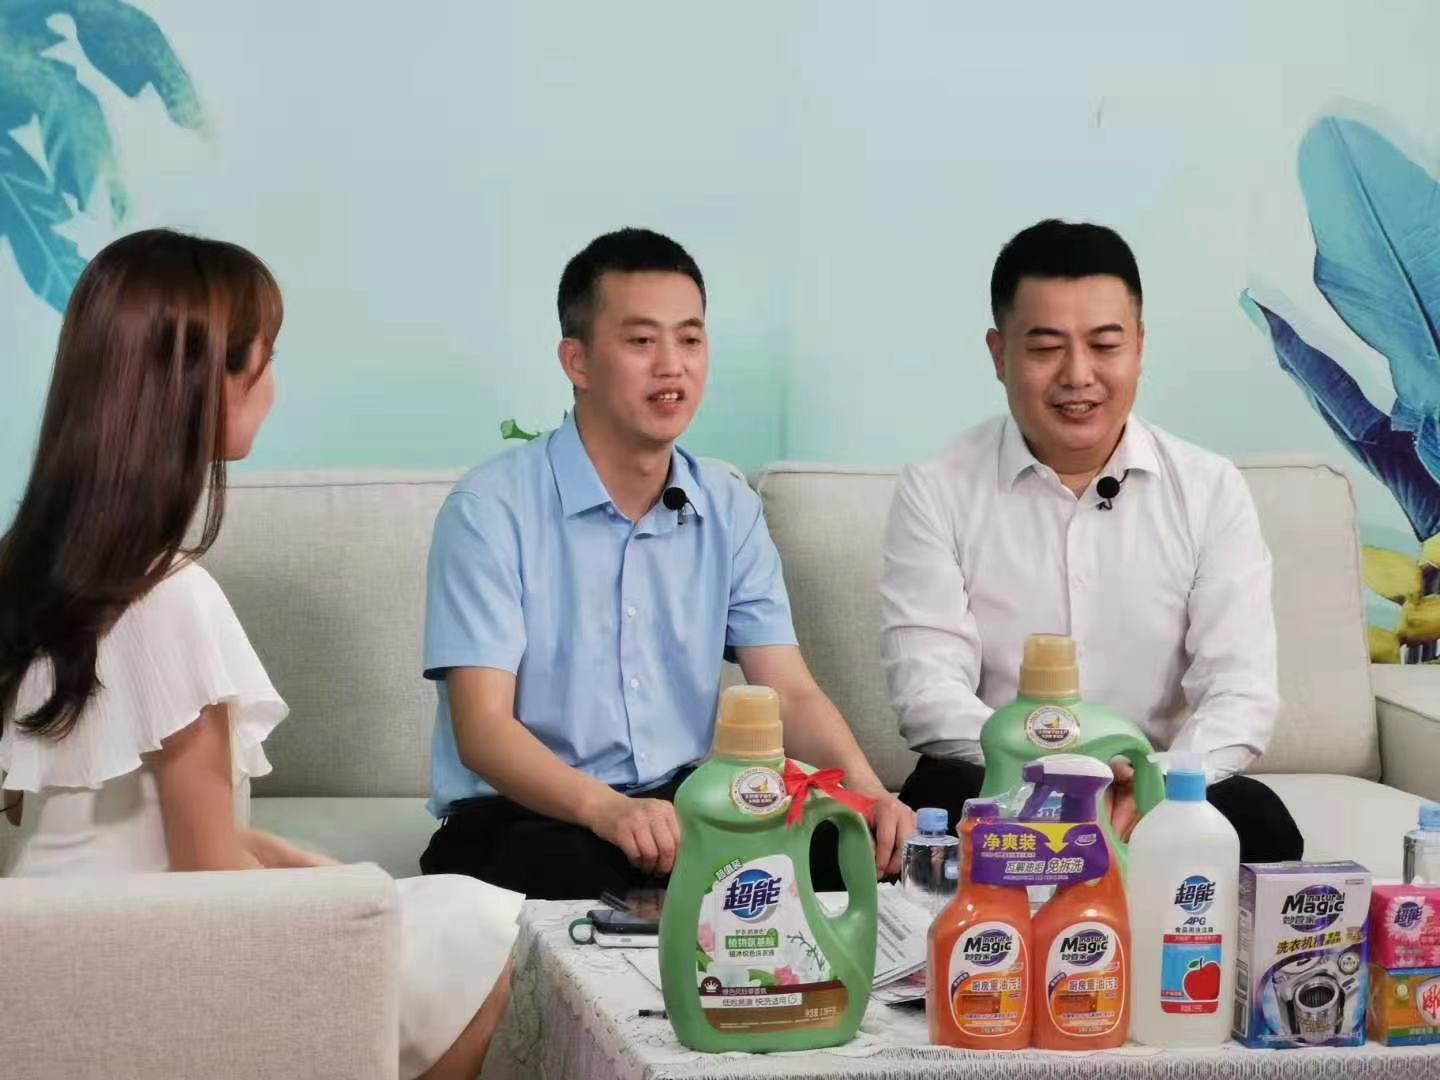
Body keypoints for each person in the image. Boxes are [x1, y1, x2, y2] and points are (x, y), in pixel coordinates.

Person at [0, 230, 521, 1080]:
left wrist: (337, 880)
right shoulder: (171, 596)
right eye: (263, 357)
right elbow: (210, 878)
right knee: (478, 926)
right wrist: (346, 907)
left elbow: (162, 831)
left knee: (415, 907)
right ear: (201, 383)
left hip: (44, 953)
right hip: (134, 965)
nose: (273, 383)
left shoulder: (34, 570)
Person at [419, 227, 914, 900]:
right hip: (525, 815)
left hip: (676, 813)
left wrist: (868, 792)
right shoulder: (489, 510)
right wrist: (607, 810)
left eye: (690, 340)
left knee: (845, 852)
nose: (672, 366)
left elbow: (789, 693)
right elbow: (482, 731)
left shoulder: (728, 507)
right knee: (586, 871)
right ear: (577, 361)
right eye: (641, 341)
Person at [880, 219, 1303, 863]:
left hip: (1153, 788)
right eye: (1046, 348)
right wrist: (1059, 778)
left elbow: (1239, 693)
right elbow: (928, 693)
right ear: (999, 355)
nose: (1078, 375)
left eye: (1105, 345)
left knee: (1263, 824)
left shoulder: (1209, 488)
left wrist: (1149, 781)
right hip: (999, 782)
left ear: (1139, 346)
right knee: (928, 805)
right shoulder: (936, 489)